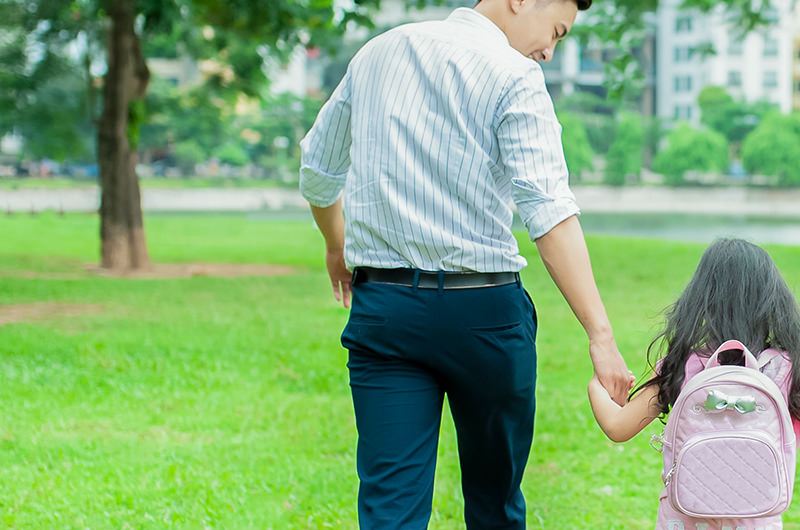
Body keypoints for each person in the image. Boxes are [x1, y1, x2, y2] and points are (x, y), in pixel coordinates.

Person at [299, 0, 631, 527]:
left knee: (389, 509)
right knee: (494, 503)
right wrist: (600, 334)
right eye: (557, 31)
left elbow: (318, 168)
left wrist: (336, 247)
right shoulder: (515, 74)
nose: (549, 49)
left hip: (385, 311)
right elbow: (548, 212)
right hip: (485, 317)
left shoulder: (378, 52)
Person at [588, 238, 800, 530]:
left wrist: (596, 386)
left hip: (685, 517)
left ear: (702, 299)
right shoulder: (787, 369)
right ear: (772, 301)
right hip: (759, 518)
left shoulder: (683, 365)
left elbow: (617, 427)